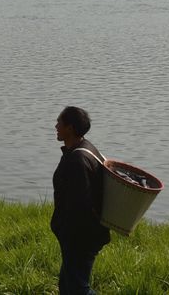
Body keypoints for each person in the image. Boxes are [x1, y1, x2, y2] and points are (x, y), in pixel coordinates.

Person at [51, 106, 110, 295]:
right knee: (67, 286)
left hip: (81, 236)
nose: (56, 126)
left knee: (78, 289)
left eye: (59, 122)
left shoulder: (78, 160)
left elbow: (80, 205)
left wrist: (64, 230)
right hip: (82, 235)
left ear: (70, 128)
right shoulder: (84, 148)